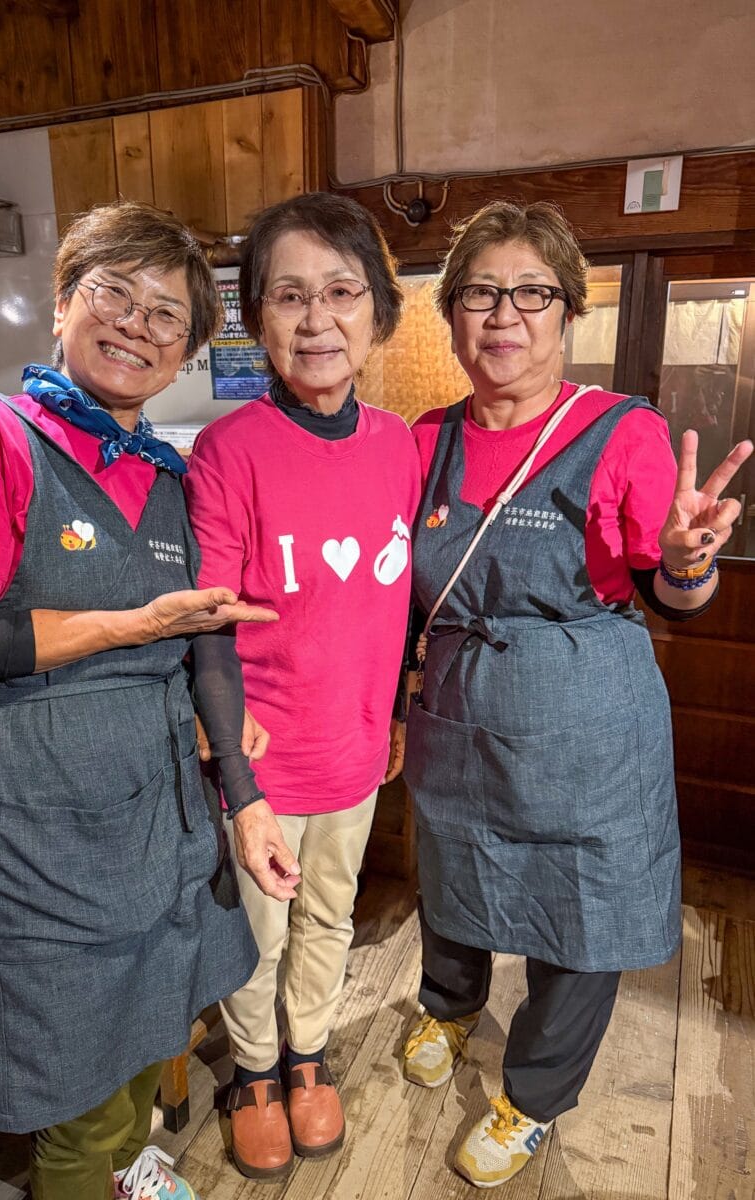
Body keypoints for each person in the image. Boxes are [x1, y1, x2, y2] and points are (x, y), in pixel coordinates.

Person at [0, 201, 280, 1200]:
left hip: (160, 819)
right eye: (116, 294)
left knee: (153, 1038)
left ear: (187, 351)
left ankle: (127, 1169)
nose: (137, 327)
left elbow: (209, 644)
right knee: (81, 1084)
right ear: (63, 304)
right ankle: (94, 1172)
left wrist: (244, 797)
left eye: (167, 317)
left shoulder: (166, 477)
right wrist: (131, 625)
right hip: (43, 833)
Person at [399, 200, 753, 1189]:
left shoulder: (620, 431)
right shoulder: (425, 440)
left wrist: (687, 562)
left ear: (566, 314)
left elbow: (674, 593)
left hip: (587, 721)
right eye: (480, 292)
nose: (504, 314)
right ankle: (448, 1005)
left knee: (580, 913)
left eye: (532, 293)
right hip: (460, 712)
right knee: (454, 880)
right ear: (454, 312)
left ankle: (532, 1098)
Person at [183, 192, 421, 1180]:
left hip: (358, 748)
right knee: (260, 928)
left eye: (340, 292)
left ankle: (308, 1054)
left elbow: (401, 599)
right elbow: (207, 632)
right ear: (255, 315)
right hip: (266, 762)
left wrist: (397, 707)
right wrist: (237, 783)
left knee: (331, 912)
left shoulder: (401, 445)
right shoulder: (228, 451)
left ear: (378, 315)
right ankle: (250, 1071)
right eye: (289, 295)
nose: (316, 319)